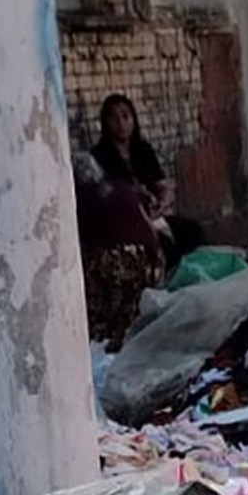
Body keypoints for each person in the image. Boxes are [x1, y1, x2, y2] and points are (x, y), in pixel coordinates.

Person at [90, 94, 201, 265]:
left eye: (125, 116)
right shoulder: (99, 156)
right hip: (127, 223)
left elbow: (160, 183)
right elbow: (106, 197)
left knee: (193, 231)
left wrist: (163, 200)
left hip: (153, 214)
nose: (121, 123)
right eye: (114, 118)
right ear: (105, 122)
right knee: (164, 246)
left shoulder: (143, 150)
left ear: (134, 119)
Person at [72, 151, 163, 347]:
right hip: (151, 260)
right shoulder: (121, 186)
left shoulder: (81, 199)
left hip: (119, 266)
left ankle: (110, 332)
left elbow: (83, 243)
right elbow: (149, 222)